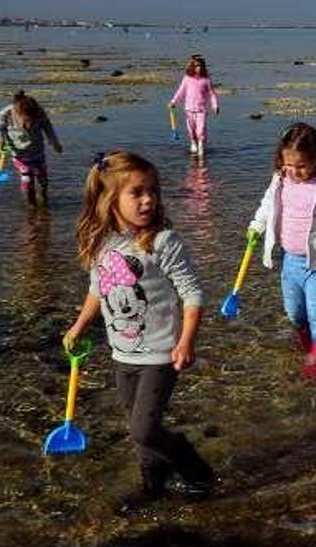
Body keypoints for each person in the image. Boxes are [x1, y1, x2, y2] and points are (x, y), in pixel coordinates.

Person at [62, 151, 214, 516]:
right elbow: (98, 290)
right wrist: (79, 325)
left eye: (153, 191)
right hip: (122, 353)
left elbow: (192, 293)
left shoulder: (163, 242)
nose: (149, 200)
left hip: (161, 353)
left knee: (145, 429)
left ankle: (196, 470)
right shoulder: (103, 242)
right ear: (109, 199)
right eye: (138, 193)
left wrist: (186, 340)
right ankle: (153, 485)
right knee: (137, 431)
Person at [246, 122, 316, 380]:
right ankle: (307, 343)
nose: (295, 171)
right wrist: (256, 226)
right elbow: (267, 205)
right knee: (294, 311)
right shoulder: (280, 179)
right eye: (289, 165)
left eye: (301, 166)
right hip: (290, 260)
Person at [0, 90, 62, 206]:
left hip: (37, 151)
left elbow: (47, 127)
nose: (28, 125)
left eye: (32, 121)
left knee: (42, 179)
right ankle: (31, 204)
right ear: (17, 113)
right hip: (19, 154)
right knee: (27, 178)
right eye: (26, 121)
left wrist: (54, 142)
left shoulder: (39, 112)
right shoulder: (6, 114)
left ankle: (44, 198)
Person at [168, 54, 220, 158]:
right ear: (192, 67)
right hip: (189, 109)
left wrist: (215, 106)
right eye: (196, 66)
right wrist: (173, 102)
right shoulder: (187, 78)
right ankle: (193, 142)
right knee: (191, 130)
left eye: (200, 66)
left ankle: (201, 145)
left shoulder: (206, 80)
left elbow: (212, 94)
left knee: (200, 130)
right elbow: (181, 92)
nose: (198, 68)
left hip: (202, 110)